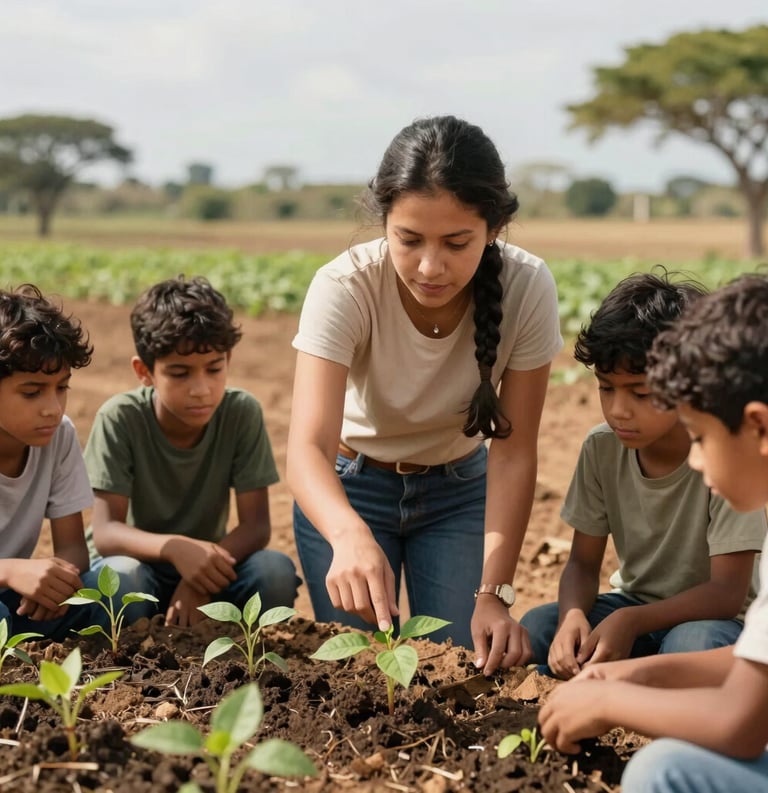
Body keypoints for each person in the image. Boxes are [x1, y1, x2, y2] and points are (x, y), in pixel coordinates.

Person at [287, 114, 563, 667]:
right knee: (358, 671)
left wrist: (494, 593)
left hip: (460, 494)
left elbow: (512, 450)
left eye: (457, 243)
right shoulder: (344, 287)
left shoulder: (527, 287)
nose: (431, 267)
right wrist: (347, 534)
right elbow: (306, 448)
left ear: (494, 229)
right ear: (383, 221)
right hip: (351, 489)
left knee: (459, 664)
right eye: (408, 240)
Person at [539, 273, 768, 792]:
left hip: (701, 628)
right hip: (645, 617)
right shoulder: (603, 450)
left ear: (757, 427)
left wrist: (610, 699)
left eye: (703, 438)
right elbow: (749, 663)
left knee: (658, 769)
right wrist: (628, 676)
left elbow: (740, 724)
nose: (696, 458)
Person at [84, 276, 300, 628]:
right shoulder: (120, 418)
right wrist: (175, 548)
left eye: (214, 369)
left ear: (228, 359)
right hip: (136, 564)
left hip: (206, 564)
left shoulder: (240, 412)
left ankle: (229, 647)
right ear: (145, 372)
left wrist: (199, 576)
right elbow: (107, 532)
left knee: (273, 571)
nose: (201, 389)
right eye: (179, 373)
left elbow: (256, 525)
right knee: (123, 579)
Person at [0, 285, 109, 641]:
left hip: (19, 597)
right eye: (32, 392)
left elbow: (74, 548)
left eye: (61, 387)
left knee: (118, 595)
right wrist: (9, 571)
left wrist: (58, 585)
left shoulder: (58, 435)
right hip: (8, 586)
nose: (53, 407)